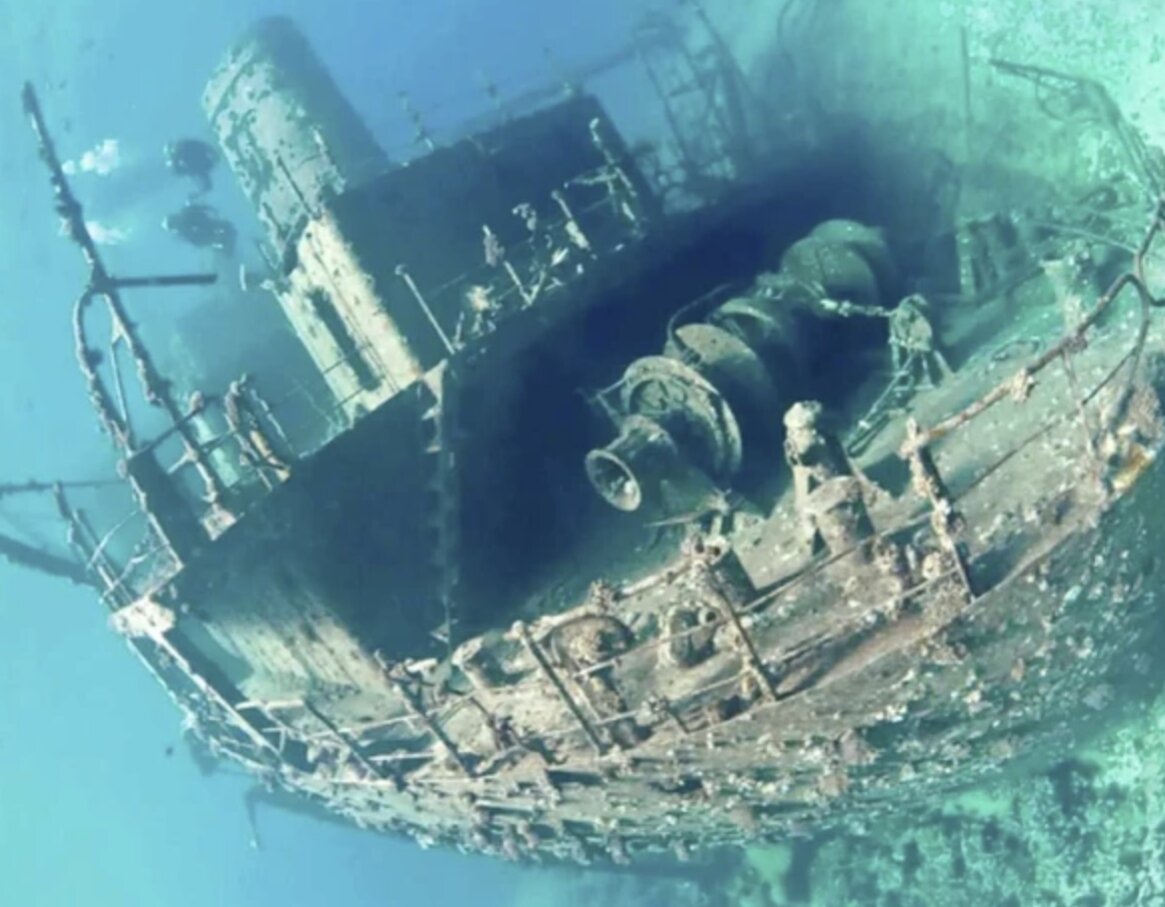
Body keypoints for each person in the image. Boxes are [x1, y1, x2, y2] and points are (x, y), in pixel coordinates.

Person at [162, 202, 236, 254]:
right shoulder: (183, 233)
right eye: (173, 224)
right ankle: (225, 244)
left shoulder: (186, 211)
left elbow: (201, 207)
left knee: (222, 227)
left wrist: (211, 209)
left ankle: (226, 237)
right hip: (206, 234)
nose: (176, 222)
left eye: (174, 221)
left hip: (207, 224)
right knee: (221, 243)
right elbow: (197, 241)